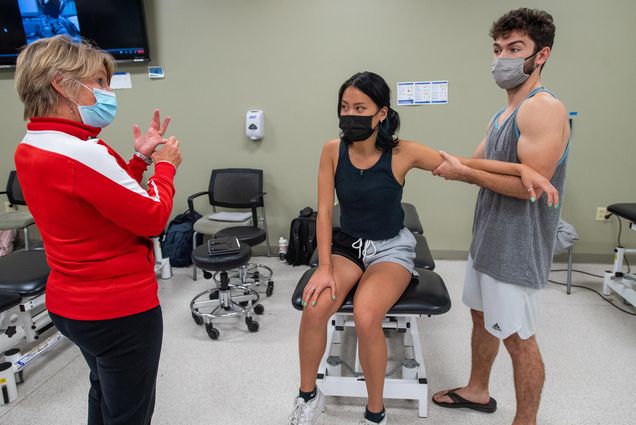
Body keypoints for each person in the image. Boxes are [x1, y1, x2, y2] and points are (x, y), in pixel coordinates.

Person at [289, 71, 557, 425]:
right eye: (344, 107)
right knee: (314, 308)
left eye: (359, 107)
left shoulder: (403, 152)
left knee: (367, 317)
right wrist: (324, 267)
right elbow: (324, 212)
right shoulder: (332, 151)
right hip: (348, 246)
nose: (349, 114)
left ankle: (375, 412)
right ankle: (308, 396)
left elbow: (461, 164)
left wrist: (523, 169)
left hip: (390, 249)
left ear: (381, 113)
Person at [13, 35, 182, 425]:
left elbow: (98, 200)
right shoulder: (84, 152)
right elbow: (153, 216)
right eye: (100, 83)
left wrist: (138, 158)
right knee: (129, 413)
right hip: (118, 311)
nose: (108, 92)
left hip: (70, 305)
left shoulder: (34, 143)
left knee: (104, 391)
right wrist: (165, 165)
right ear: (62, 84)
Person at [431, 8, 570, 425]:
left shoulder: (541, 109)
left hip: (516, 247)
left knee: (519, 340)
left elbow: (528, 185)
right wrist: (445, 164)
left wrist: (464, 171)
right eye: (497, 49)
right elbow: (476, 163)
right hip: (489, 238)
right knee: (480, 317)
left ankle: (524, 421)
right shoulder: (504, 113)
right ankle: (477, 390)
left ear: (540, 55)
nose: (502, 58)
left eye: (514, 49)